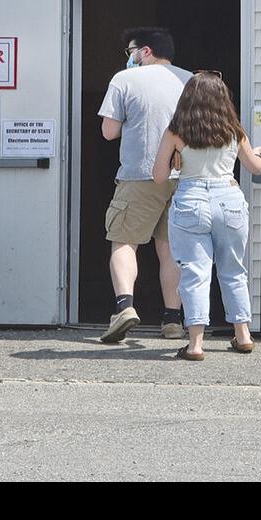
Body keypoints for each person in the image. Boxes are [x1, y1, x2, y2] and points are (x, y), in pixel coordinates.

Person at [152, 72, 261, 361]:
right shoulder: (233, 129)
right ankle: (243, 335)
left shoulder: (176, 131)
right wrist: (257, 153)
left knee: (195, 273)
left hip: (191, 200)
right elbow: (256, 168)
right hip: (228, 199)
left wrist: (176, 160)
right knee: (233, 270)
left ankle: (195, 345)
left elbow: (159, 176)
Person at [97, 26, 193, 343]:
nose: (129, 57)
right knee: (171, 249)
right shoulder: (190, 81)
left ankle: (124, 307)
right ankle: (173, 320)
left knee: (124, 241)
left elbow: (109, 132)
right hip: (183, 176)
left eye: (131, 51)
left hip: (140, 174)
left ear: (145, 51)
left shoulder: (125, 79)